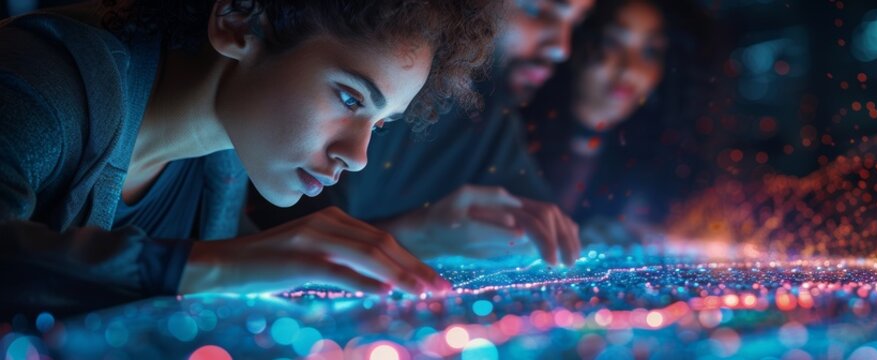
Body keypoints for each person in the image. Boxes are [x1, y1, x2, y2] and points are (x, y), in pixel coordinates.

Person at [0, 0, 499, 317]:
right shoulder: (43, 75)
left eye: (381, 123)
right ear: (239, 20)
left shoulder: (223, 168)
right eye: (349, 99)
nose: (358, 155)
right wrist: (211, 267)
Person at [248, 0, 594, 266]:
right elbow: (280, 250)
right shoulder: (360, 60)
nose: (562, 48)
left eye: (574, 24)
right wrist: (418, 236)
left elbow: (546, 231)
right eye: (538, 9)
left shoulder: (488, 115)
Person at [522, 0, 709, 243]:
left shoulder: (653, 167)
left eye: (650, 51)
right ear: (573, 39)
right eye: (610, 42)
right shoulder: (505, 138)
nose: (629, 69)